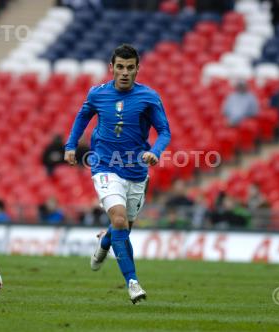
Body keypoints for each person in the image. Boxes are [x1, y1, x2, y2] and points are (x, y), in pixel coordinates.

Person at [64, 44, 171, 304]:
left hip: (136, 171)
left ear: (137, 69)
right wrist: (70, 145)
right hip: (105, 165)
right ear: (112, 68)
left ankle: (104, 243)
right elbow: (82, 118)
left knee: (123, 227)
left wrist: (155, 152)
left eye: (129, 68)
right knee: (120, 220)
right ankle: (132, 283)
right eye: (120, 67)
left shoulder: (148, 97)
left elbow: (164, 131)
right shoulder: (97, 94)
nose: (124, 72)